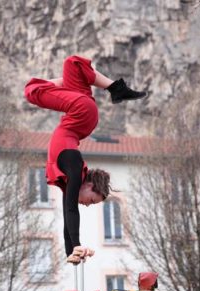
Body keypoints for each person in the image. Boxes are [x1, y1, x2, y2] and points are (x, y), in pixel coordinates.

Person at [24, 55, 146, 263]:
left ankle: (116, 88)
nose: (87, 205)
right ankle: (116, 88)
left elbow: (66, 217)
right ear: (89, 184)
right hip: (81, 111)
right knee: (31, 91)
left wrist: (72, 253)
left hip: (83, 116)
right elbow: (72, 211)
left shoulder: (68, 180)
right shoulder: (74, 165)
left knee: (73, 64)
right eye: (91, 200)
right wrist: (78, 243)